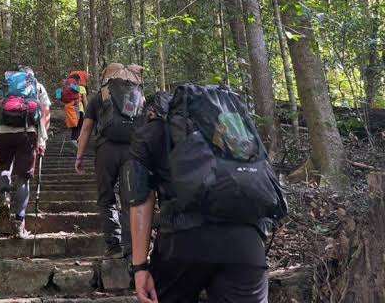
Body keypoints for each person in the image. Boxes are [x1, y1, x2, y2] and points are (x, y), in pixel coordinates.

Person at [127, 85, 286, 303]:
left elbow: (140, 201)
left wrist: (140, 268)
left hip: (183, 243)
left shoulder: (150, 132)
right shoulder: (227, 130)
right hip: (246, 243)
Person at [74, 63, 145, 259]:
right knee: (130, 200)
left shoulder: (100, 96)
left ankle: (114, 246)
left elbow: (86, 129)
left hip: (106, 151)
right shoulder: (139, 96)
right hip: (133, 151)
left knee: (106, 199)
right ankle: (132, 250)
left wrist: (79, 156)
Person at [0, 66, 51, 239]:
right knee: (23, 178)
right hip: (27, 133)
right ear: (31, 74)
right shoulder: (37, 86)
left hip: (4, 133)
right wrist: (41, 140)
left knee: (5, 168)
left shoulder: (5, 86)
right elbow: (46, 113)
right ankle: (20, 223)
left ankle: (5, 193)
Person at [64, 72, 88, 143]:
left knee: (74, 128)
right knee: (80, 128)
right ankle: (77, 144)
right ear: (78, 80)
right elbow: (84, 101)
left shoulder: (66, 88)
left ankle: (73, 141)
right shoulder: (81, 88)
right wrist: (87, 111)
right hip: (79, 110)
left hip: (70, 110)